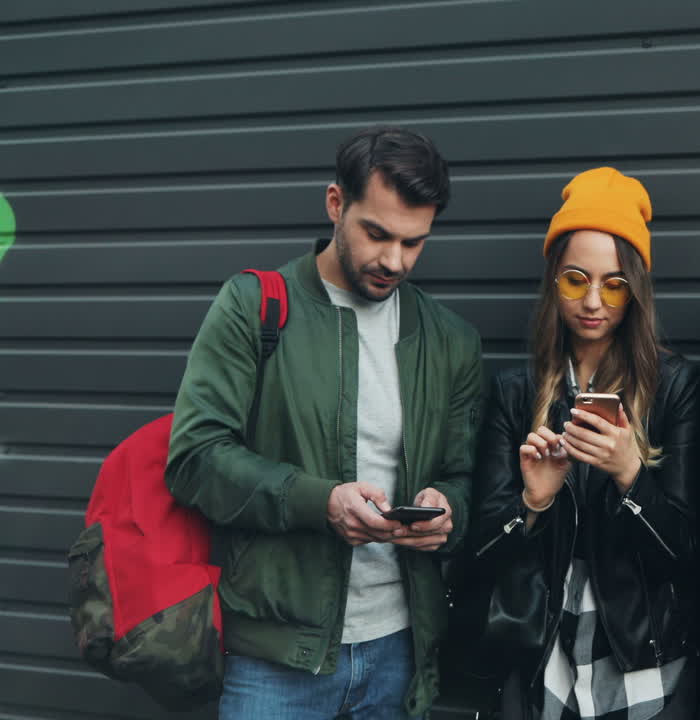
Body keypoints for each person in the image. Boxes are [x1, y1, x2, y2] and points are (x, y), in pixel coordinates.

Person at [166, 127, 485, 719]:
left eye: (414, 243)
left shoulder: (451, 342)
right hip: (275, 657)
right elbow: (194, 459)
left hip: (400, 650)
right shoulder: (252, 307)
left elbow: (466, 477)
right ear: (336, 204)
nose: (394, 260)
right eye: (377, 233)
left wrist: (449, 511)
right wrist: (322, 502)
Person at [471, 167, 700, 720]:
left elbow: (689, 555)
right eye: (577, 280)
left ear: (636, 290)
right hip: (542, 647)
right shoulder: (516, 391)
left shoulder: (675, 388)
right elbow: (479, 552)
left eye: (614, 284)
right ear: (555, 280)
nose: (594, 301)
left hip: (640, 651)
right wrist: (533, 503)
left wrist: (631, 475)